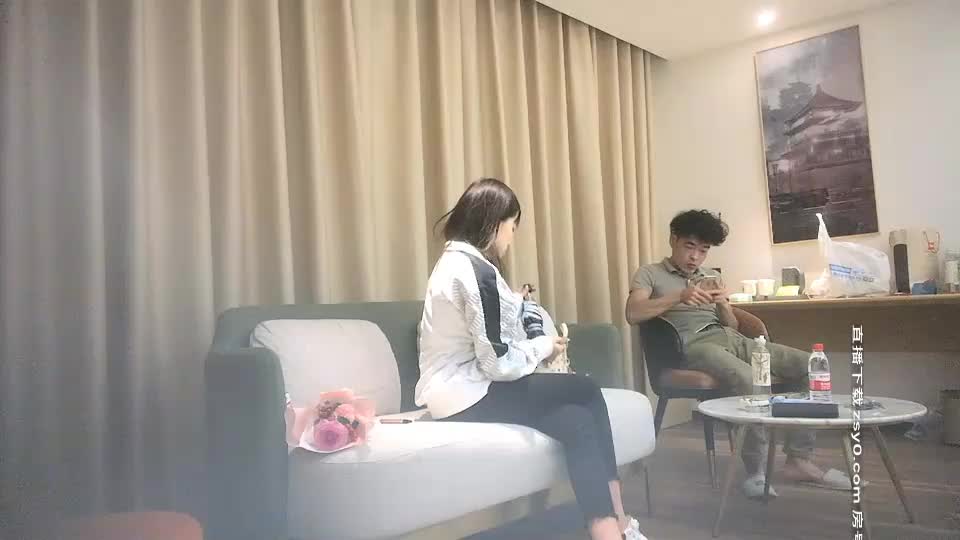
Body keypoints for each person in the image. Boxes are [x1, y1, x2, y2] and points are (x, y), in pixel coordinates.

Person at [416, 178, 648, 540]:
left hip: (463, 388)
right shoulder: (474, 270)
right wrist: (543, 346)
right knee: (585, 388)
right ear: (495, 224)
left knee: (575, 420)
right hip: (464, 392)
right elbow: (498, 363)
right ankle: (618, 520)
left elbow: (487, 339)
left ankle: (606, 529)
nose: (511, 238)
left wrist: (517, 309)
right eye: (512, 227)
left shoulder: (456, 263)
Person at [624, 209, 854, 498]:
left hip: (731, 338)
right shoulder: (650, 273)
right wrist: (679, 296)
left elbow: (731, 325)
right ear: (673, 240)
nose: (695, 256)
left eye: (703, 250)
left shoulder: (710, 276)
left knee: (811, 365)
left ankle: (799, 459)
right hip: (692, 346)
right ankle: (756, 471)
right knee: (750, 378)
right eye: (689, 246)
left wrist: (723, 305)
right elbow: (633, 313)